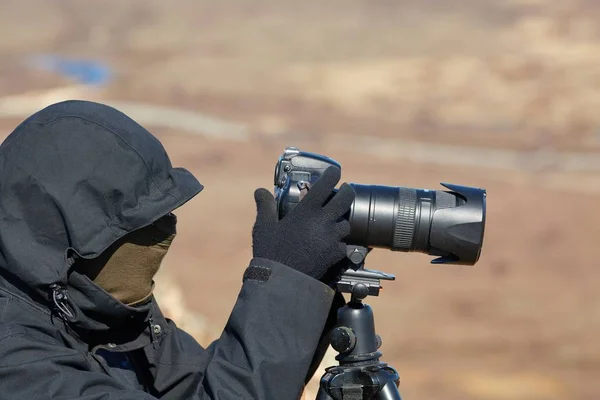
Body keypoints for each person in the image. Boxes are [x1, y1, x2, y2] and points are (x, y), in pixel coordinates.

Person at [0, 100, 355, 399]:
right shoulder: (17, 367)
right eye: (138, 223)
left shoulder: (99, 311)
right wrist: (284, 284)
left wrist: (310, 292)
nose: (165, 231)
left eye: (165, 213)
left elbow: (205, 386)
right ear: (64, 239)